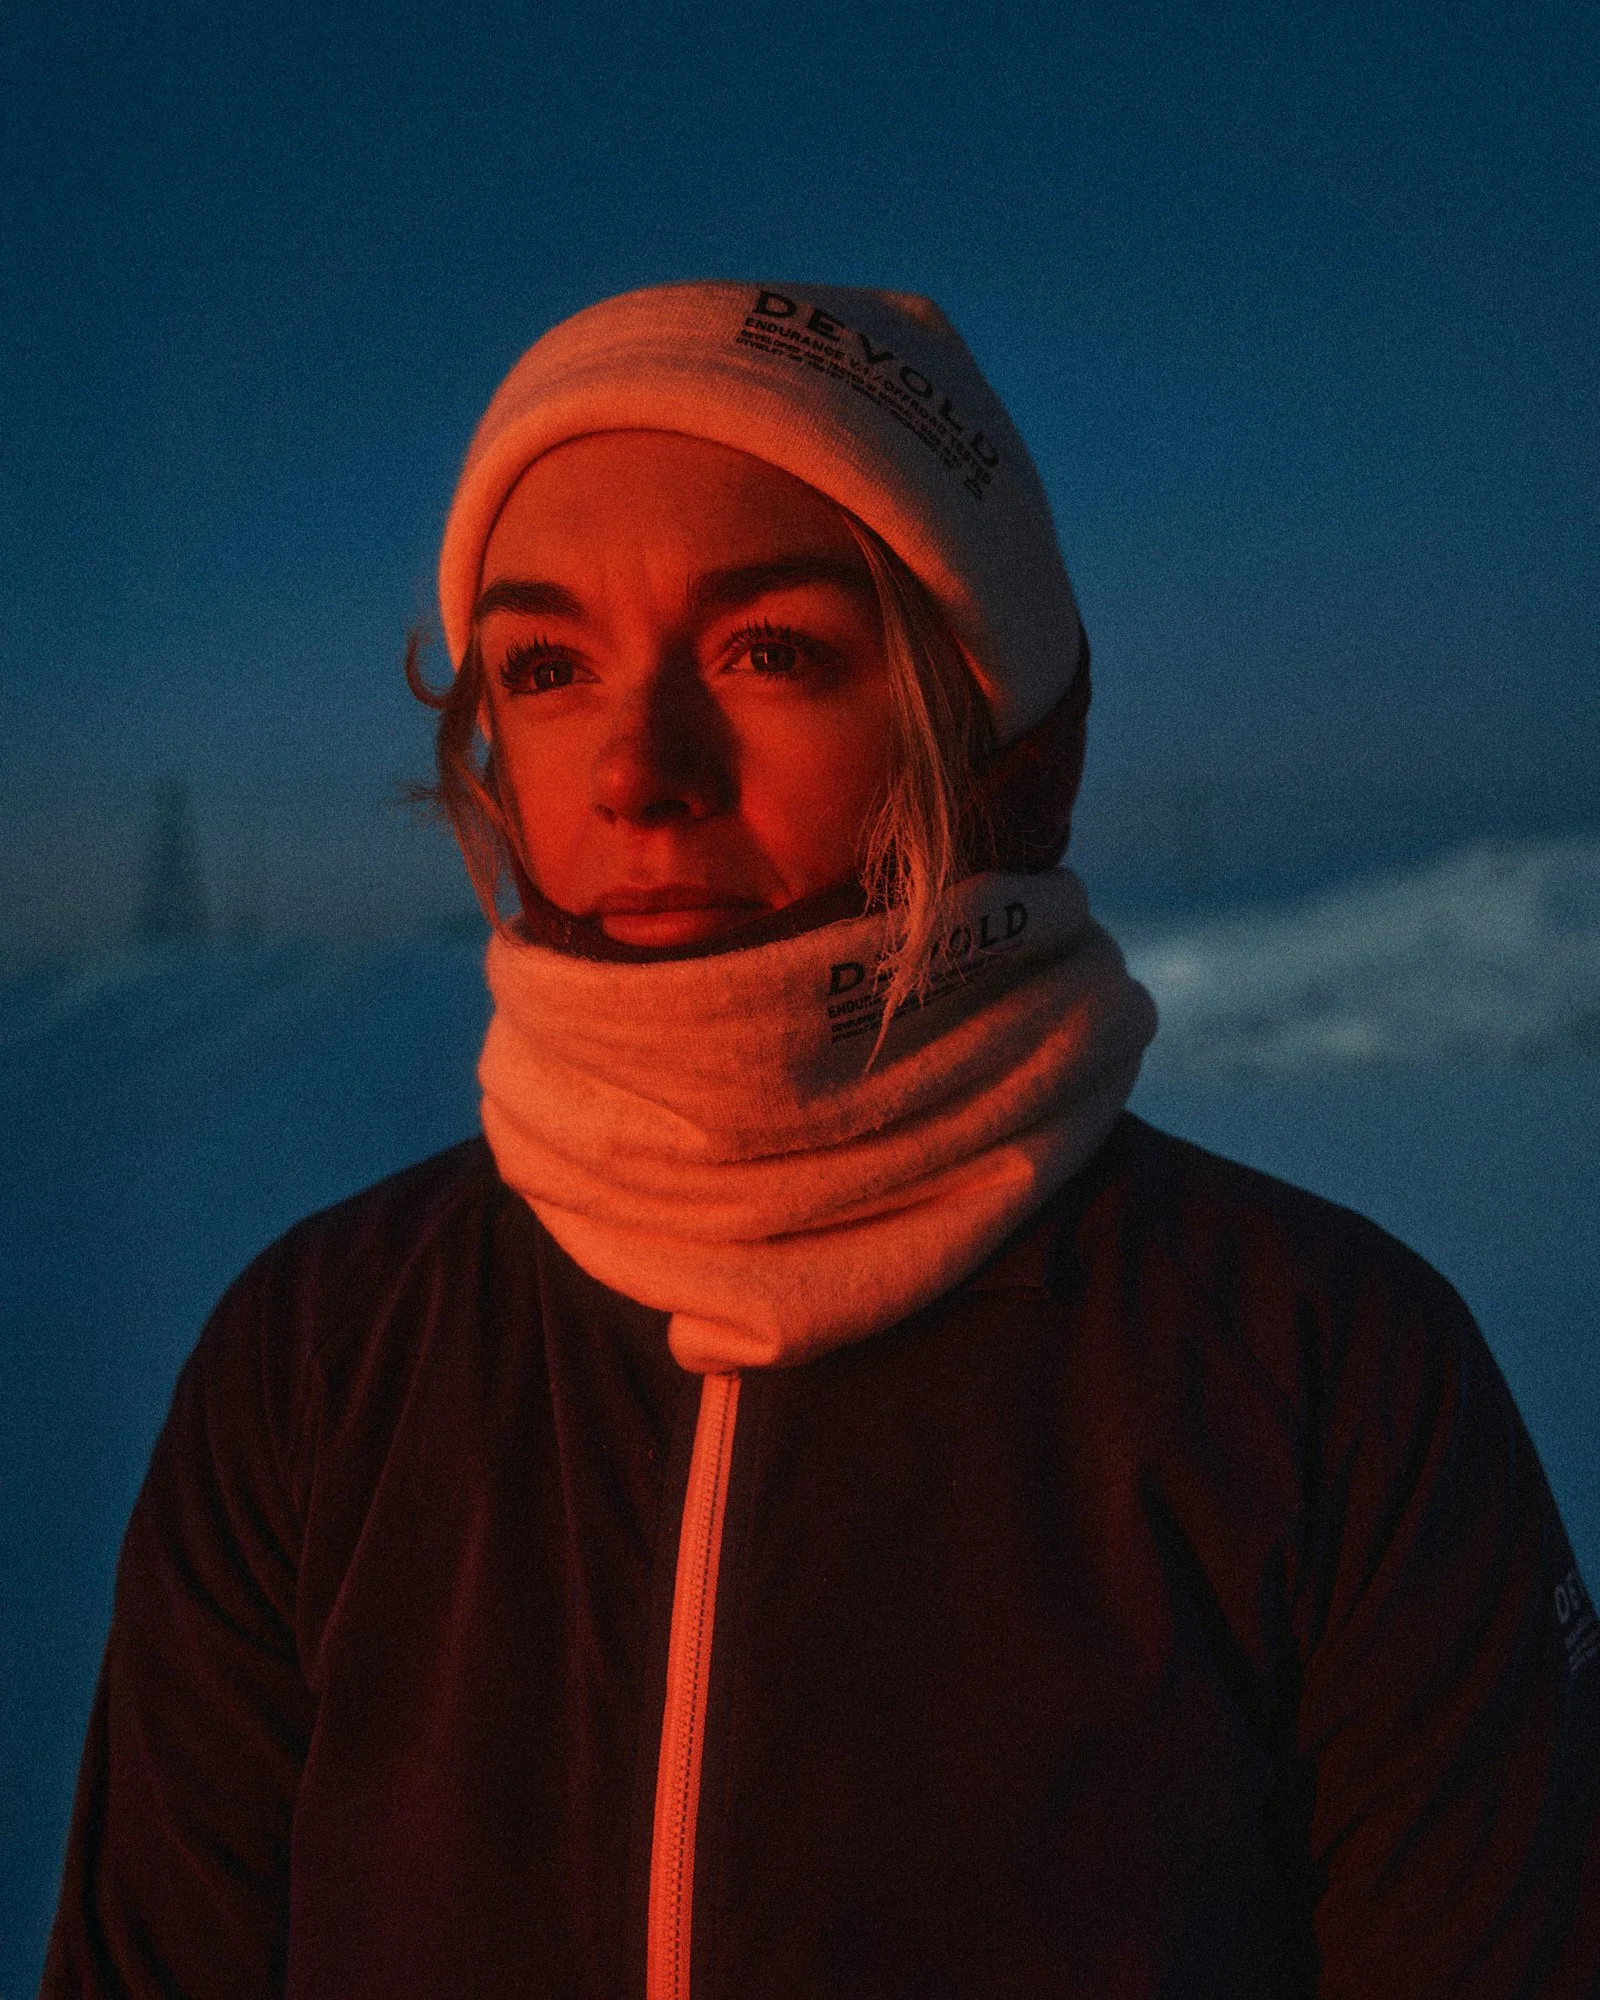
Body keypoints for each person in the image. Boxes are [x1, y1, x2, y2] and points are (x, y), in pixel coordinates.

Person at [43, 282, 1600, 1998]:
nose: (638, 773)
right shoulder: (317, 1358)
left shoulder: (1327, 1370)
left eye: (769, 651)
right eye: (547, 668)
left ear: (994, 731)